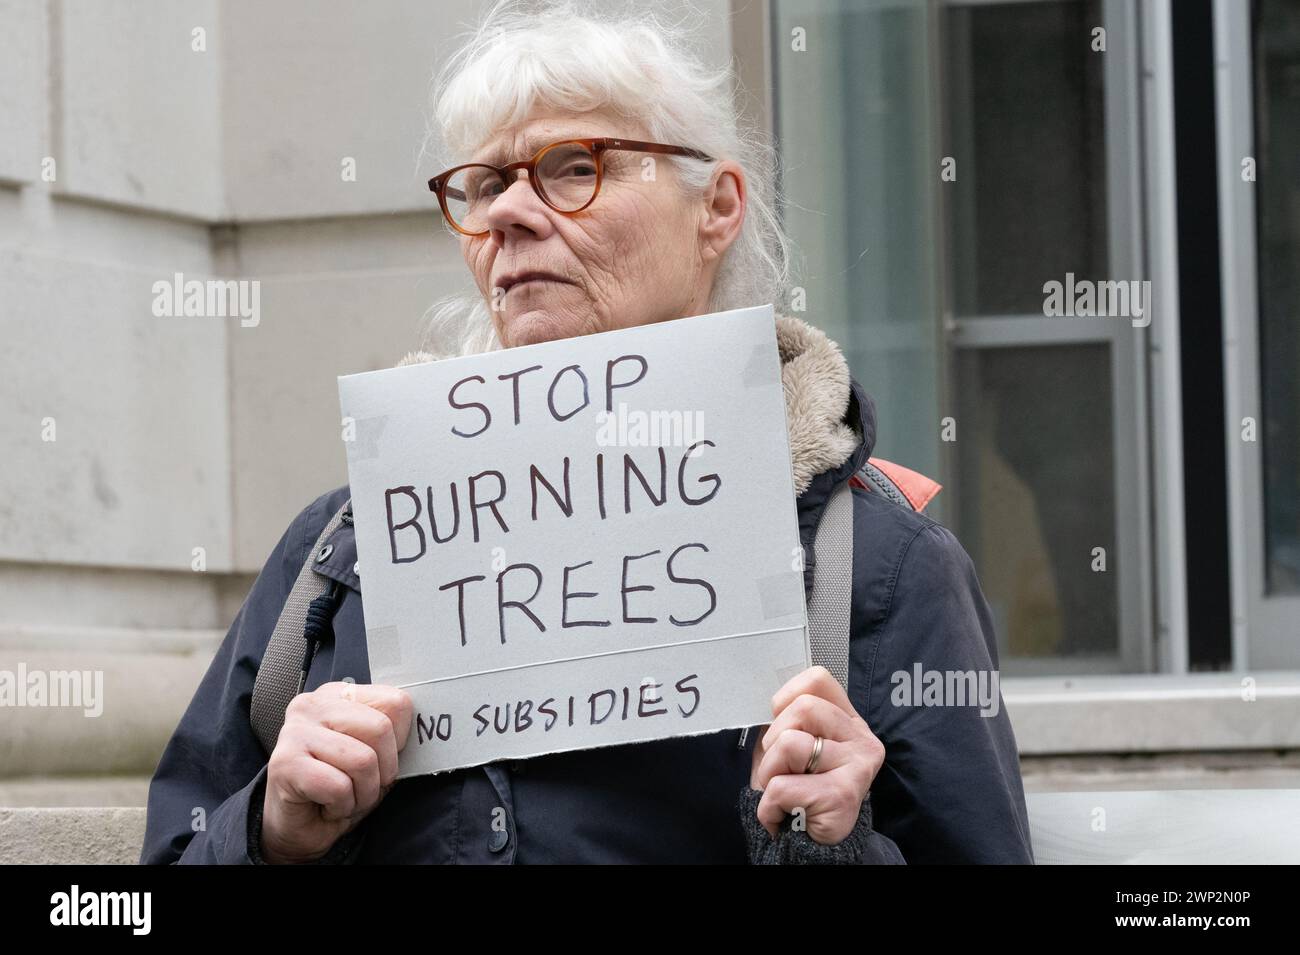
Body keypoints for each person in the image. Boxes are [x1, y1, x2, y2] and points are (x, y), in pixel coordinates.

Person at [141, 0, 1033, 865]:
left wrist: (837, 849)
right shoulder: (339, 555)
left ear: (716, 208)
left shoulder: (877, 566)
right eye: (485, 184)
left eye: (574, 167)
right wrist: (272, 830)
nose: (507, 215)